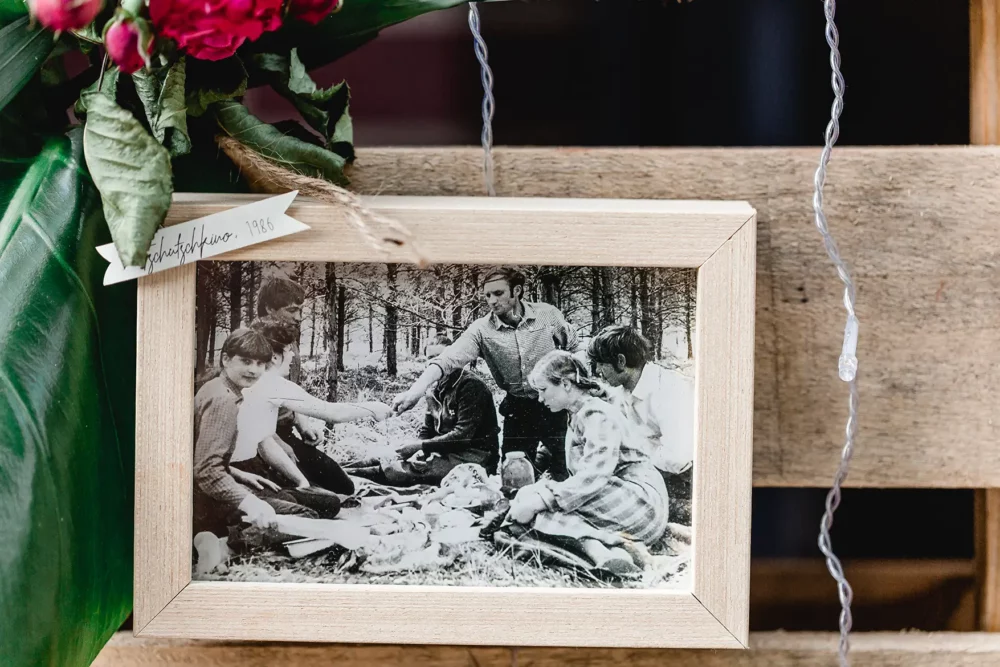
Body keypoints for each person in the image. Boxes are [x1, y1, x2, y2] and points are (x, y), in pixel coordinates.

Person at [391, 267, 578, 480]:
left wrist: (575, 390)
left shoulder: (547, 315)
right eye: (487, 295)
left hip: (556, 404)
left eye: (498, 293)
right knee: (513, 475)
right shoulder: (481, 330)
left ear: (516, 291)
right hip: (518, 409)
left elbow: (574, 348)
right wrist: (415, 391)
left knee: (565, 469)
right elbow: (448, 359)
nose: (492, 300)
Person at [505, 350, 670, 573]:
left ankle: (598, 548)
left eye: (543, 390)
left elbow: (594, 475)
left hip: (641, 504)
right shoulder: (579, 413)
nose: (541, 399)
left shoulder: (597, 413)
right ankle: (615, 553)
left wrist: (542, 498)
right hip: (618, 498)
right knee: (532, 499)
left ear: (565, 383)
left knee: (539, 506)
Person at [234, 317, 393, 497]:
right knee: (335, 492)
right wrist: (373, 408)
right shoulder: (272, 382)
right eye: (288, 350)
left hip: (254, 456)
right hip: (251, 461)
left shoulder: (254, 379)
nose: (293, 355)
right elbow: (331, 413)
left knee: (331, 486)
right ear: (275, 356)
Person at [193, 328, 320, 537]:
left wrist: (238, 474)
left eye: (260, 364)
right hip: (206, 498)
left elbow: (198, 455)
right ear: (226, 359)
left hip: (208, 487)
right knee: (306, 515)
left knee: (289, 500)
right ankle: (225, 541)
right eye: (246, 361)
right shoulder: (223, 401)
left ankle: (220, 531)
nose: (253, 370)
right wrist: (250, 503)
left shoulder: (216, 387)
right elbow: (207, 471)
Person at [587, 325, 694, 522]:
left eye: (601, 364)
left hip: (684, 479)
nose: (599, 371)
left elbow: (678, 459)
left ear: (621, 361)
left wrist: (634, 451)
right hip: (651, 470)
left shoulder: (668, 391)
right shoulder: (626, 386)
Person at [378, 339, 500, 486]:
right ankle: (348, 472)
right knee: (387, 458)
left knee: (400, 471)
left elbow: (462, 436)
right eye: (431, 358)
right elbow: (427, 429)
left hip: (475, 457)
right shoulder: (433, 388)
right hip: (444, 451)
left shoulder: (470, 386)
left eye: (441, 357)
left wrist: (421, 446)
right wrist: (420, 450)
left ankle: (350, 479)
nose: (436, 362)